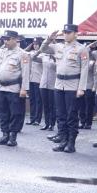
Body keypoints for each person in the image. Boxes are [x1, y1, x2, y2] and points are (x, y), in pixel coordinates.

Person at [40, 24, 89, 153]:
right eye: (65, 32)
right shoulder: (58, 46)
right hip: (59, 83)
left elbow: (84, 69)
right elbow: (43, 49)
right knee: (60, 114)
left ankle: (71, 142)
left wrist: (81, 88)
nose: (66, 35)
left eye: (69, 32)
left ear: (75, 34)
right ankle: (63, 140)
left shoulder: (81, 49)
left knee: (71, 115)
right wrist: (49, 39)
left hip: (72, 85)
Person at [0, 30, 30, 147]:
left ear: (15, 39)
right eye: (4, 39)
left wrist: (24, 89)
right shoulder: (1, 51)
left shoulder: (22, 54)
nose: (5, 41)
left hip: (14, 87)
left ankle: (13, 137)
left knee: (15, 113)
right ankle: (4, 135)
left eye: (7, 39)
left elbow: (26, 73)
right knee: (3, 112)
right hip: (1, 87)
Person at [26, 37, 43, 126]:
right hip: (31, 79)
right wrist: (29, 46)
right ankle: (32, 118)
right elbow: (23, 52)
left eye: (37, 44)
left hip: (38, 80)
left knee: (38, 100)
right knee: (32, 100)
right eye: (34, 44)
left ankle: (37, 119)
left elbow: (34, 57)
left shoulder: (42, 54)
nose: (35, 46)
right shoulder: (31, 52)